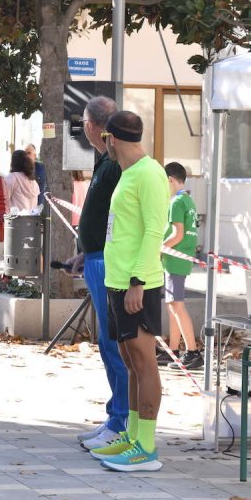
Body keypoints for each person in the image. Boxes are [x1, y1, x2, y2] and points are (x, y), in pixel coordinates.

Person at [92, 110, 168, 472]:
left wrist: (138, 281)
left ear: (112, 139)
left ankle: (147, 447)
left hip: (138, 283)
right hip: (117, 280)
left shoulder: (150, 173)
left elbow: (156, 230)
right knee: (129, 362)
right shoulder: (128, 173)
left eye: (104, 140)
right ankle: (133, 436)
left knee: (144, 361)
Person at [64, 97, 128, 453]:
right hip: (96, 258)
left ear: (93, 126)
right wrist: (84, 253)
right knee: (107, 344)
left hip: (108, 262)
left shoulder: (116, 164)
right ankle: (115, 417)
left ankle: (122, 421)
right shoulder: (105, 161)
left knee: (114, 345)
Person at [159, 162, 201, 370]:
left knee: (176, 304)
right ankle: (173, 351)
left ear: (170, 180)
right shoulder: (188, 200)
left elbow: (178, 234)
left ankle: (192, 352)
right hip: (180, 257)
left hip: (176, 258)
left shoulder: (176, 202)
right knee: (172, 304)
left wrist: (159, 248)